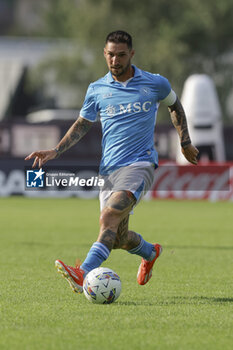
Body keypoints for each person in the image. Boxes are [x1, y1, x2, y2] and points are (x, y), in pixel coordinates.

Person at [25, 30, 199, 293]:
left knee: (109, 215)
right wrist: (56, 150)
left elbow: (174, 105)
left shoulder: (154, 83)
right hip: (109, 170)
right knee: (117, 238)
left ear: (131, 54)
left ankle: (82, 272)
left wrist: (185, 141)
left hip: (140, 165)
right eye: (110, 55)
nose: (115, 60)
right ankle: (151, 252)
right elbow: (82, 124)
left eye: (120, 55)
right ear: (104, 55)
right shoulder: (97, 89)